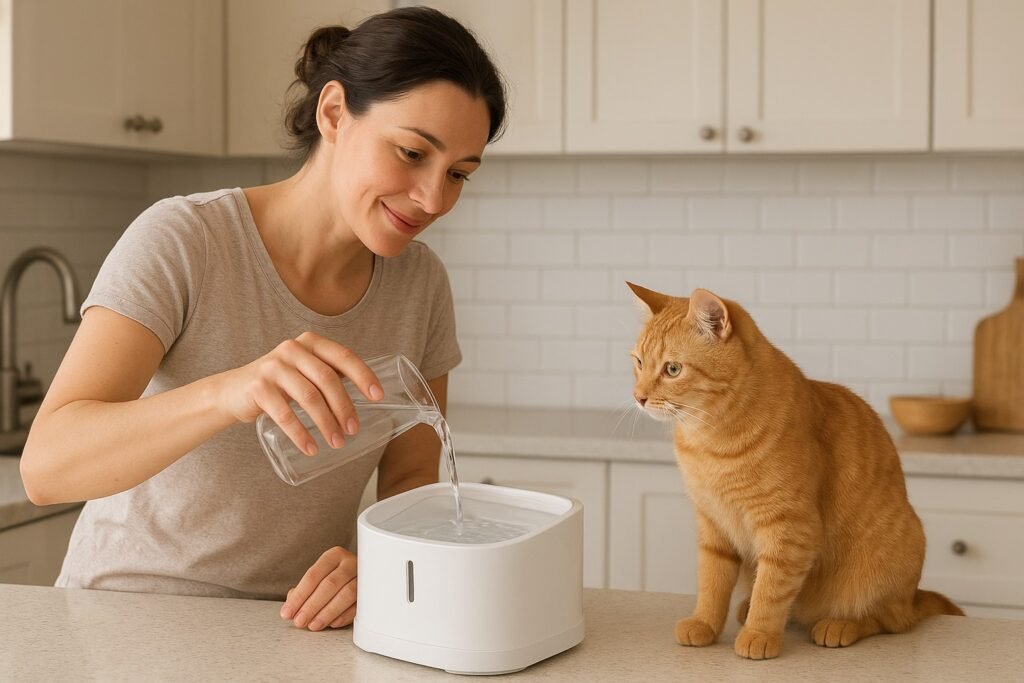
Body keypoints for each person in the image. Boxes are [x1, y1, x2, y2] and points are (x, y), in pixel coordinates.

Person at [20, 6, 506, 633]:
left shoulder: (421, 284)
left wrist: (383, 559)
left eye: (459, 174)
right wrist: (231, 390)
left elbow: (411, 474)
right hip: (124, 620)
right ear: (333, 113)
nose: (434, 199)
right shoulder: (186, 240)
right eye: (413, 152)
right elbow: (47, 467)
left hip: (292, 631)